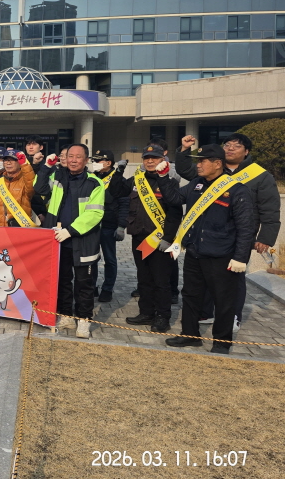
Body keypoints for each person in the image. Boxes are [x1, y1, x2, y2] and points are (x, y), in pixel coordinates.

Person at [176, 132, 280, 332]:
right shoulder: (211, 170)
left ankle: (233, 317)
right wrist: (184, 150)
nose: (230, 148)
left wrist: (265, 238)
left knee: (234, 279)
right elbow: (185, 170)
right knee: (205, 277)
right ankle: (206, 312)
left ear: (246, 152)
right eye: (227, 145)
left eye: (237, 146)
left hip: (239, 237)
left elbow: (269, 208)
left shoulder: (260, 176)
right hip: (208, 236)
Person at [165, 144, 258, 353]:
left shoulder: (237, 190)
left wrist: (240, 258)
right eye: (198, 161)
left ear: (217, 164)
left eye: (202, 161)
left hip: (221, 256)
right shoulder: (196, 184)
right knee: (190, 295)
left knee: (223, 300)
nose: (198, 165)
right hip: (195, 252)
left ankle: (222, 342)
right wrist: (163, 177)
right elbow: (174, 198)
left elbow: (246, 228)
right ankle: (190, 335)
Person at [35, 144, 105, 339]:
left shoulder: (94, 183)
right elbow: (39, 188)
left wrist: (70, 231)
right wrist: (46, 167)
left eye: (78, 157)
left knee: (84, 283)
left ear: (86, 160)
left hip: (83, 240)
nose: (73, 160)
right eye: (70, 156)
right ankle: (66, 316)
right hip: (58, 239)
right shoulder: (58, 176)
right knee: (63, 280)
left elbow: (95, 213)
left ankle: (84, 320)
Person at [116, 145, 182, 333]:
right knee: (144, 278)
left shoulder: (169, 182)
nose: (150, 161)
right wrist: (118, 172)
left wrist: (168, 238)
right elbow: (116, 191)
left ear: (163, 160)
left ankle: (162, 317)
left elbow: (175, 214)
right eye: (147, 158)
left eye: (155, 158)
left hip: (160, 239)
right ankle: (146, 312)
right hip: (139, 235)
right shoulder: (137, 180)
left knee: (161, 281)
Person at [88, 150, 131, 302]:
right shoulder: (91, 178)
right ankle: (91, 287)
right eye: (94, 160)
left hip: (109, 225)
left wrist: (121, 226)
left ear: (108, 163)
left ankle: (107, 289)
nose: (95, 163)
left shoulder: (119, 179)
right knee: (91, 259)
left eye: (98, 161)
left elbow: (124, 204)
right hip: (92, 225)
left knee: (110, 259)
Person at [0, 149, 36, 227]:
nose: (8, 163)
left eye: (12, 160)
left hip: (19, 227)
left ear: (19, 162)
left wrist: (25, 165)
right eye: (6, 160)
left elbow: (30, 184)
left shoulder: (24, 182)